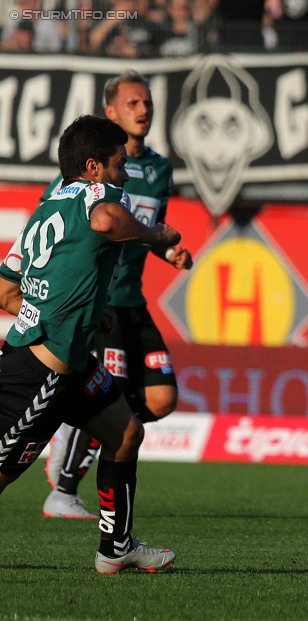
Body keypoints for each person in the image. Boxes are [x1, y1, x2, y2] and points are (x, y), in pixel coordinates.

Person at [0, 114, 180, 573]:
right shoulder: (100, 194)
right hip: (40, 373)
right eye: (119, 164)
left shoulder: (48, 206)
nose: (124, 174)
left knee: (125, 434)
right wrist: (155, 234)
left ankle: (116, 547)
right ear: (94, 167)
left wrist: (76, 311)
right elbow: (106, 220)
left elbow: (5, 290)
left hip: (70, 363)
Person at [42, 71, 193, 519]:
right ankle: (64, 490)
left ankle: (78, 432)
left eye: (147, 102)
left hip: (133, 299)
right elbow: (59, 218)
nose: (143, 109)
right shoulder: (88, 172)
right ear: (111, 112)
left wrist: (169, 251)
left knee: (162, 398)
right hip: (100, 300)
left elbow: (145, 230)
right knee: (116, 392)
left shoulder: (160, 169)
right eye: (132, 103)